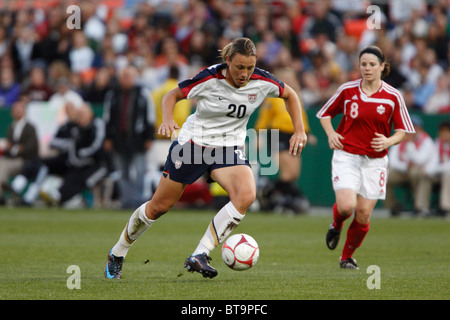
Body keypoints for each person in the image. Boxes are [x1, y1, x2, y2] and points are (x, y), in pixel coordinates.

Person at [104, 37, 307, 279]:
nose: (245, 74)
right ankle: (118, 252)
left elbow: (290, 95)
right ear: (228, 60)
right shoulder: (209, 78)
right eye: (239, 67)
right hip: (193, 144)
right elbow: (172, 96)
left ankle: (200, 254)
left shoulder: (261, 80)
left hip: (228, 147)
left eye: (250, 68)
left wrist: (300, 130)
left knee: (246, 195)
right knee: (159, 207)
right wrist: (168, 119)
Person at [316, 46, 415, 270]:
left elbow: (402, 131)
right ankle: (336, 224)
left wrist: (389, 141)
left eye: (372, 64)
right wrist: (331, 134)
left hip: (376, 160)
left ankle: (346, 257)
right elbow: (324, 114)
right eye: (363, 64)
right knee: (346, 206)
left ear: (382, 66)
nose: (367, 68)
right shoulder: (348, 90)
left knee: (363, 214)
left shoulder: (393, 96)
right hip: (347, 155)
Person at [254, 67, 316, 214]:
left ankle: (268, 191)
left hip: (293, 135)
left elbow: (301, 117)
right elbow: (264, 117)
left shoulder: (296, 97)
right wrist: (259, 134)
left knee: (294, 174)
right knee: (287, 172)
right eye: (286, 79)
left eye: (291, 78)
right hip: (278, 134)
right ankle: (287, 199)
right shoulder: (273, 97)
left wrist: (307, 132)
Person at [102, 65, 156, 208]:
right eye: (123, 76)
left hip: (138, 139)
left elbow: (150, 116)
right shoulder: (112, 95)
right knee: (122, 173)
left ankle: (137, 201)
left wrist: (149, 137)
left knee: (139, 172)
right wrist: (108, 137)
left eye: (129, 76)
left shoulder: (143, 93)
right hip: (118, 140)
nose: (126, 79)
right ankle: (126, 200)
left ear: (134, 78)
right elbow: (107, 118)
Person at [384, 115, 435, 216]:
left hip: (419, 172)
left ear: (420, 128)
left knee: (416, 173)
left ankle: (419, 207)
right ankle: (393, 207)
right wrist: (406, 166)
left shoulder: (426, 141)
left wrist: (410, 144)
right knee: (386, 177)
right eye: (410, 127)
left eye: (415, 127)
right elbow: (393, 161)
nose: (412, 130)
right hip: (403, 171)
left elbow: (420, 160)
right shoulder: (399, 138)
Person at [0, 99, 39, 204]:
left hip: (24, 161)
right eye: (15, 110)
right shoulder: (11, 127)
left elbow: (30, 148)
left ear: (24, 112)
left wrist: (13, 148)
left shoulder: (30, 128)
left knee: (3, 166)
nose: (17, 112)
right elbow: (8, 147)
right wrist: (15, 148)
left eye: (19, 110)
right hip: (11, 159)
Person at [425, 121, 450, 217]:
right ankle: (423, 208)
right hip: (440, 174)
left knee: (448, 174)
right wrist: (428, 171)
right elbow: (432, 164)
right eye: (442, 131)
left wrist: (435, 169)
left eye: (447, 131)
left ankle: (446, 208)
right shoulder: (438, 143)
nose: (444, 134)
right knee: (425, 176)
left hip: (446, 174)